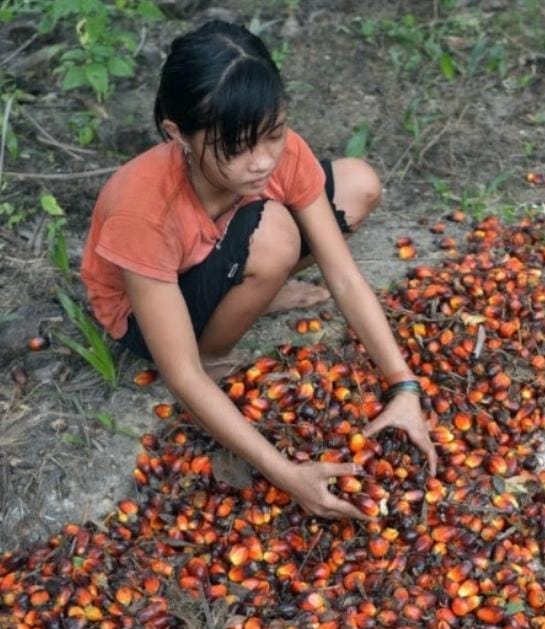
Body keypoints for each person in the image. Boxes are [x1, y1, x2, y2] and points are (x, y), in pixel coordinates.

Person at [80, 20, 437, 520]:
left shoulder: (275, 153)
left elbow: (343, 275)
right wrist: (285, 473)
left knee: (358, 183)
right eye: (237, 146)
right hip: (149, 315)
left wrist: (403, 385)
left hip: (225, 248)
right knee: (273, 236)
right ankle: (220, 350)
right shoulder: (142, 209)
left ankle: (255, 286)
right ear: (176, 134)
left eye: (273, 134)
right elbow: (179, 374)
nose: (262, 161)